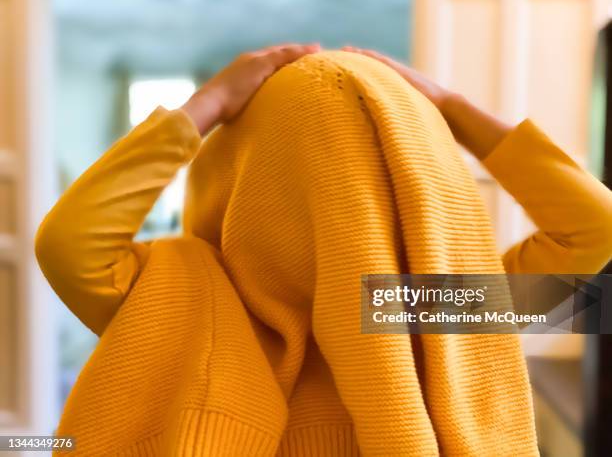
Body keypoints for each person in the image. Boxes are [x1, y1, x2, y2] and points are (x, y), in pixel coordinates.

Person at [35, 44, 612, 456]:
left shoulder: (190, 307)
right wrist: (452, 110)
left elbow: (67, 243)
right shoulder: (433, 315)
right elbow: (594, 227)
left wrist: (206, 107)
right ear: (417, 191)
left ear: (235, 184)